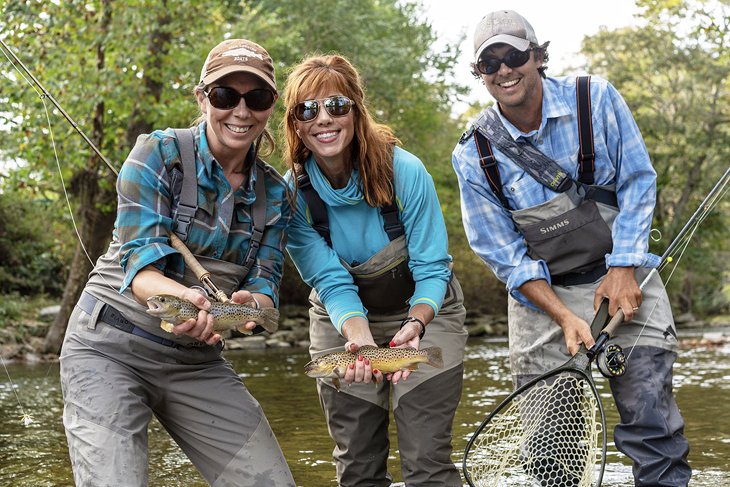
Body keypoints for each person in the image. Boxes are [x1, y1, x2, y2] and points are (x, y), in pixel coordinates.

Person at [452, 10, 691, 486]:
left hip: (625, 280)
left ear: (538, 56)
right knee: (548, 455)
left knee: (652, 428)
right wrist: (563, 315)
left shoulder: (596, 99)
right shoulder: (473, 153)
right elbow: (504, 256)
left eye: (515, 55)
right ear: (479, 75)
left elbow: (639, 182)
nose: (504, 70)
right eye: (490, 63)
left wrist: (624, 266)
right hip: (543, 300)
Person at [59, 39, 295, 486]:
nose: (241, 112)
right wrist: (187, 299)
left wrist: (253, 307)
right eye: (226, 96)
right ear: (202, 97)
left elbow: (266, 291)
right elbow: (143, 273)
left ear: (271, 106)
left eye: (257, 97)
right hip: (107, 347)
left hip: (196, 360)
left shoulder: (277, 194)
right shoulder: (157, 155)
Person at [282, 54, 468, 487]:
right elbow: (329, 279)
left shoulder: (404, 170)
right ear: (294, 123)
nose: (323, 119)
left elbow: (433, 266)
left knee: (426, 462)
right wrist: (360, 341)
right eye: (308, 110)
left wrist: (416, 323)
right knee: (358, 464)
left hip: (427, 308)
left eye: (337, 106)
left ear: (357, 112)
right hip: (341, 318)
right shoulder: (290, 196)